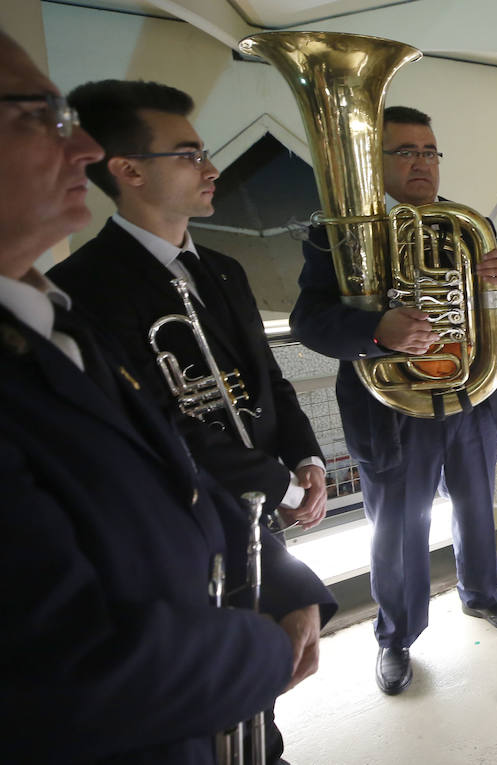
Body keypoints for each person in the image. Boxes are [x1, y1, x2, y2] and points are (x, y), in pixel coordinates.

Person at [0, 32, 334, 762]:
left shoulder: (64, 306)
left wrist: (301, 466)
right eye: (39, 116)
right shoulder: (88, 287)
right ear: (132, 173)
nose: (78, 148)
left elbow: (244, 396)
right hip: (147, 705)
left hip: (236, 546)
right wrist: (260, 648)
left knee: (255, 739)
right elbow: (68, 665)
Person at [291, 105, 497, 696]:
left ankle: (482, 593)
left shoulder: (468, 224)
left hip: (471, 401)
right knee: (397, 531)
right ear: (377, 163)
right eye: (405, 152)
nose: (422, 162)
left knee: (478, 509)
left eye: (429, 151)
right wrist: (379, 332)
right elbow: (309, 321)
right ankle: (396, 636)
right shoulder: (341, 234)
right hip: (393, 411)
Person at [49, 79, 328, 532]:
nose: (212, 169)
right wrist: (282, 487)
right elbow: (156, 422)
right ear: (130, 171)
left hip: (259, 506)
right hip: (180, 515)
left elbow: (267, 377)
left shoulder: (225, 269)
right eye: (190, 156)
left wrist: (305, 457)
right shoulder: (80, 286)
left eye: (205, 153)